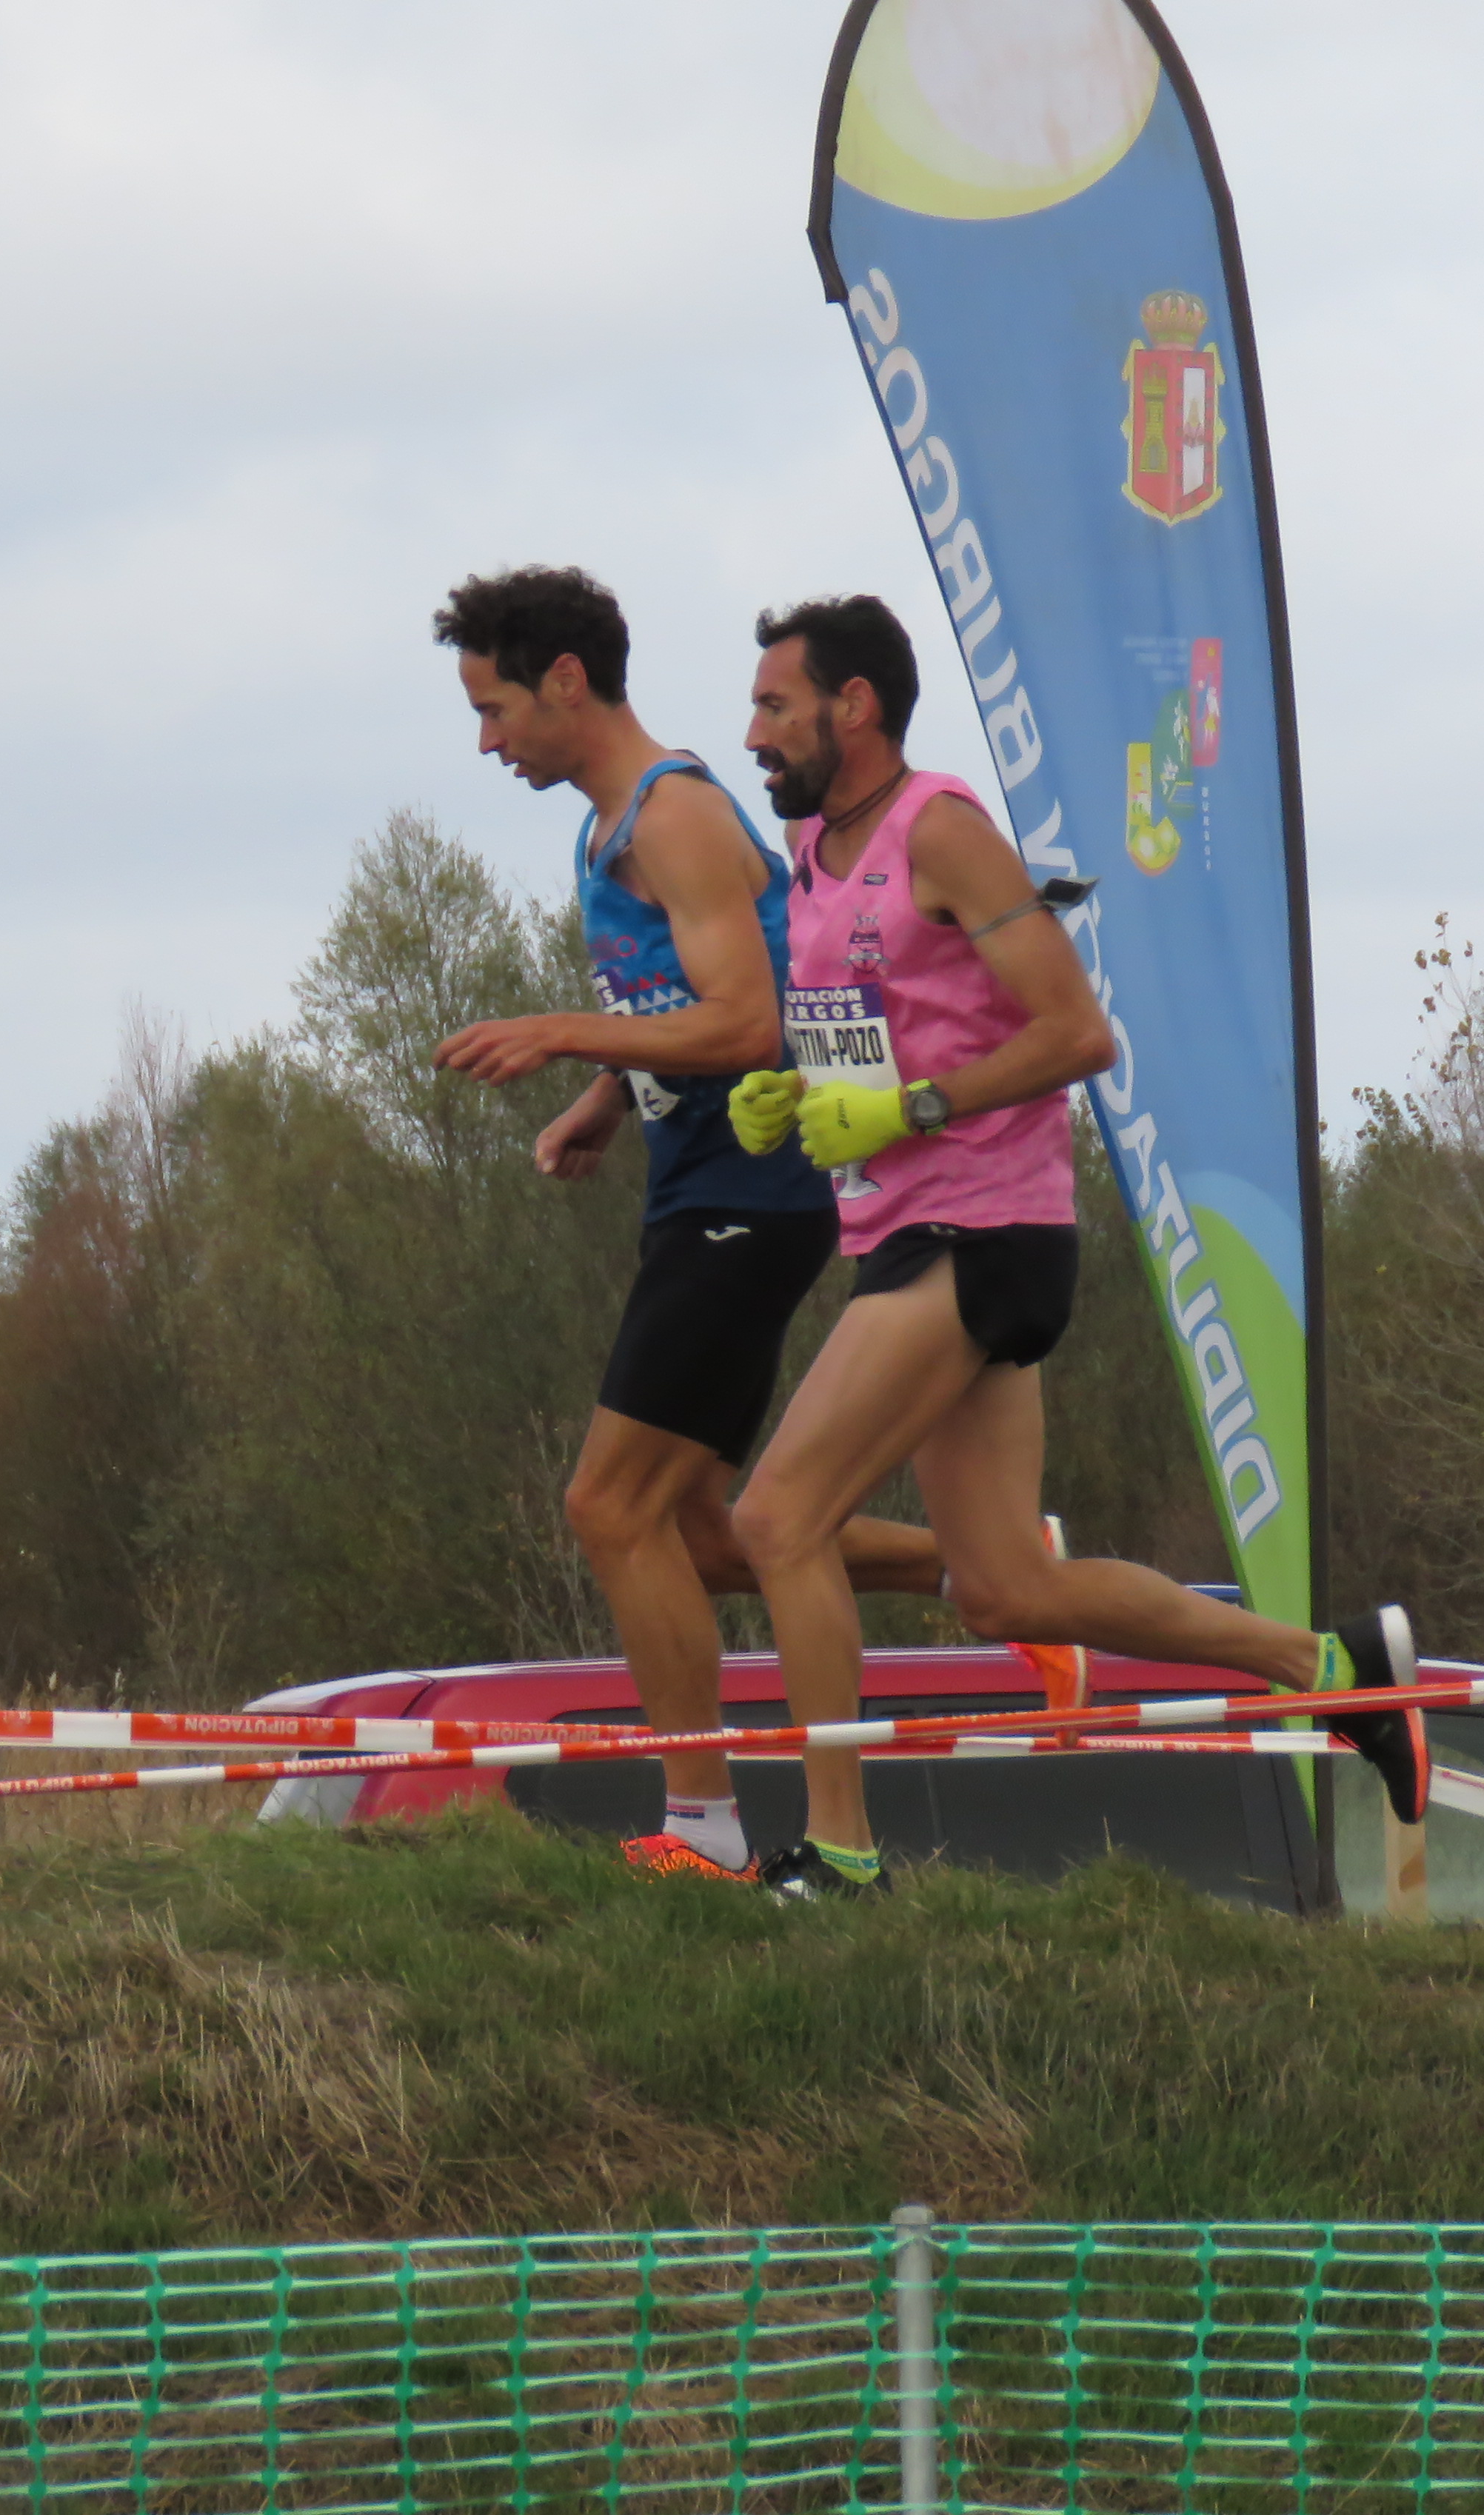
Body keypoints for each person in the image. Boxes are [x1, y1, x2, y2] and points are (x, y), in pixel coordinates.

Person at [723, 593, 1425, 1899]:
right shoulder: (814, 849)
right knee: (1003, 1592)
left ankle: (841, 1854)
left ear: (854, 706)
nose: (753, 734)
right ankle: (1327, 1665)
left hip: (984, 1229)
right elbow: (868, 1028)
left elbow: (1077, 1034)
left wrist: (907, 1110)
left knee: (778, 1517)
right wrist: (788, 1092)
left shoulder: (944, 831)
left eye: (774, 706)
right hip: (904, 1230)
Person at [428, 567, 989, 1883]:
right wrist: (606, 1099)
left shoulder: (672, 816)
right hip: (703, 1188)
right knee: (697, 1534)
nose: (487, 742)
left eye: (495, 708)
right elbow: (683, 1001)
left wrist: (562, 1031)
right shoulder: (608, 826)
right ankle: (985, 1570)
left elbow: (748, 1022)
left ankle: (704, 1826)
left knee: (606, 1503)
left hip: (757, 1191)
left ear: (568, 681)